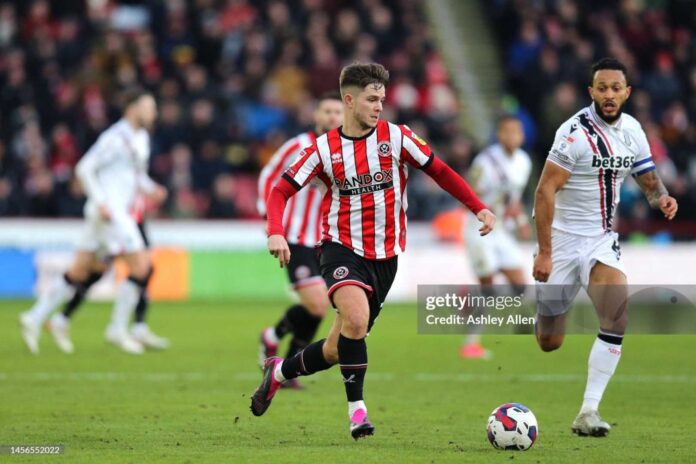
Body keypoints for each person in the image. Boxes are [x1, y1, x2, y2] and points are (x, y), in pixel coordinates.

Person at [250, 62, 496, 439]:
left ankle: (279, 371)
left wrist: (477, 206)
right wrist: (275, 231)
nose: (379, 106)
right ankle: (357, 413)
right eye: (371, 99)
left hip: (386, 257)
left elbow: (441, 171)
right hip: (339, 248)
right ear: (349, 101)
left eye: (382, 99)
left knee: (336, 348)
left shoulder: (397, 138)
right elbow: (280, 188)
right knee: (357, 320)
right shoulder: (322, 149)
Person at [533, 58, 678, 436]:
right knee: (549, 341)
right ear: (591, 92)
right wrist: (545, 252)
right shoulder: (574, 133)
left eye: (617, 88)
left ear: (627, 93)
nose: (610, 94)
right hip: (563, 242)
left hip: (600, 240)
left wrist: (660, 198)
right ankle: (548, 308)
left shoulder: (632, 130)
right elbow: (545, 189)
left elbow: (646, 176)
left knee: (617, 314)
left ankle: (588, 411)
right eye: (603, 88)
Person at [19, 88, 168, 355]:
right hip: (111, 213)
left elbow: (135, 175)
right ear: (133, 108)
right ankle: (117, 329)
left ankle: (34, 317)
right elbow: (84, 168)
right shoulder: (115, 138)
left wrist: (151, 188)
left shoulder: (141, 138)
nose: (153, 113)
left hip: (110, 213)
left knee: (80, 271)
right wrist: (101, 201)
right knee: (141, 267)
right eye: (149, 107)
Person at [256, 92, 344, 389]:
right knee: (318, 304)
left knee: (319, 307)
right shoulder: (297, 146)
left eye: (337, 112)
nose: (332, 116)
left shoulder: (346, 151)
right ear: (316, 115)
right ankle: (279, 346)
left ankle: (280, 354)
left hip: (325, 240)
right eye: (327, 111)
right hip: (294, 236)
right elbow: (269, 177)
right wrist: (271, 222)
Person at [49, 193, 170, 353]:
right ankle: (65, 318)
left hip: (133, 221)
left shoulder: (133, 174)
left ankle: (136, 327)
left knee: (143, 271)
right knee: (99, 273)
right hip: (119, 224)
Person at [461, 115, 532, 359]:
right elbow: (468, 193)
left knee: (521, 285)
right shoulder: (486, 161)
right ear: (499, 135)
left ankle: (521, 322)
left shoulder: (523, 161)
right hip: (479, 228)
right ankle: (470, 344)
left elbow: (514, 199)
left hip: (501, 229)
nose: (513, 136)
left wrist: (521, 221)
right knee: (488, 288)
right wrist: (487, 204)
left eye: (517, 132)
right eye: (507, 132)